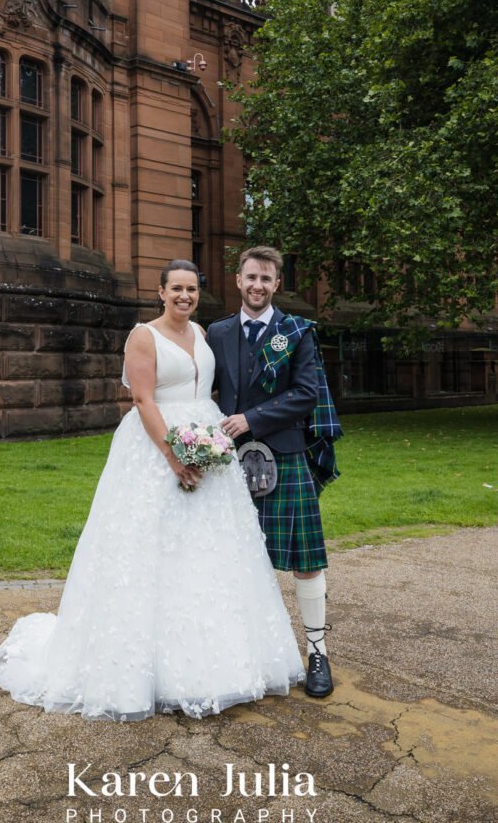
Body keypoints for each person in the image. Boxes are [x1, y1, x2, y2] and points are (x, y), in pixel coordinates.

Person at [0, 260, 306, 720]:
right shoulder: (142, 336)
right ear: (160, 292)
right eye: (176, 289)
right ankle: (144, 671)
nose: (184, 297)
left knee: (211, 555)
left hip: (209, 449)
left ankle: (220, 662)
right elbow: (143, 399)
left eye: (192, 289)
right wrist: (173, 455)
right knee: (150, 552)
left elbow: (210, 392)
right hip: (155, 449)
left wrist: (208, 445)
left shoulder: (204, 336)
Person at [209, 246, 340, 699]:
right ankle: (245, 652)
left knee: (306, 561)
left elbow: (306, 394)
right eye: (250, 277)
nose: (257, 286)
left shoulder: (296, 332)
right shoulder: (218, 332)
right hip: (227, 463)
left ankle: (317, 652)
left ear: (277, 283)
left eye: (266, 278)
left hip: (284, 456)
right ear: (238, 280)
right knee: (233, 560)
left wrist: (252, 419)